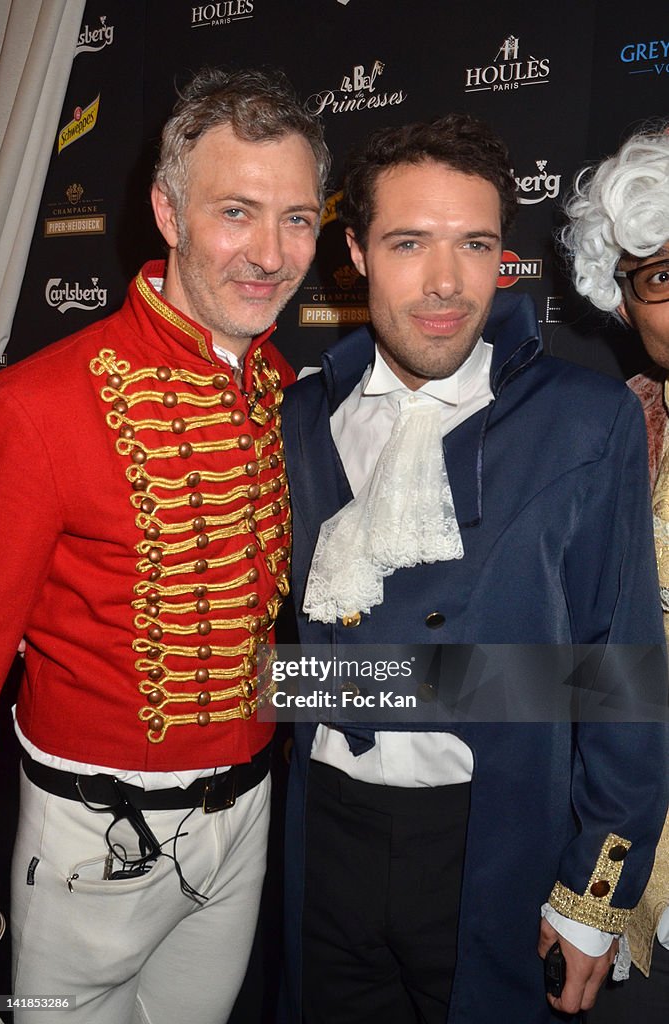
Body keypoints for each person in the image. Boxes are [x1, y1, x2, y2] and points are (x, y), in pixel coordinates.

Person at [279, 115, 669, 1023]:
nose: (446, 283)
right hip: (319, 841)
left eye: (476, 244)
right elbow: (289, 659)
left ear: (505, 258)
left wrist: (595, 896)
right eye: (409, 243)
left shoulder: (584, 420)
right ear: (357, 253)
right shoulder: (299, 417)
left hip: (494, 849)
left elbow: (621, 674)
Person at [0, 67, 329, 1024]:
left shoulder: (282, 390)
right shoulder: (35, 406)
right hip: (94, 834)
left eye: (297, 218)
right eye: (236, 213)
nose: (270, 254)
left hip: (250, 813)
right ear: (168, 214)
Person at [561, 124, 669, 1023]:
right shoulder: (613, 438)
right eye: (661, 276)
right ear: (623, 298)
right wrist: (593, 897)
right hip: (629, 894)